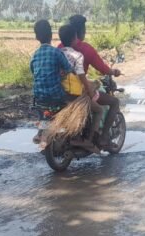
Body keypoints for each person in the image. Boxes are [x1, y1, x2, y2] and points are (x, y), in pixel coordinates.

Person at [62, 15, 122, 148]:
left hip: (62, 89)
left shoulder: (60, 47)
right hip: (79, 90)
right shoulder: (85, 49)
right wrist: (114, 72)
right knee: (114, 102)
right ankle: (103, 138)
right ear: (80, 32)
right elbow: (102, 68)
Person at [58, 24, 103, 153]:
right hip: (74, 94)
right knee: (98, 110)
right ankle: (88, 140)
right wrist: (89, 90)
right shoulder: (77, 56)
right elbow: (81, 76)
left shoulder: (57, 53)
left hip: (59, 92)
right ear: (75, 38)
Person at [30, 20, 72, 108]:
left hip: (38, 97)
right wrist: (62, 73)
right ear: (51, 35)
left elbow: (34, 72)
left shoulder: (34, 55)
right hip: (56, 96)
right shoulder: (56, 52)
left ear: (37, 37)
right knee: (70, 96)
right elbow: (69, 69)